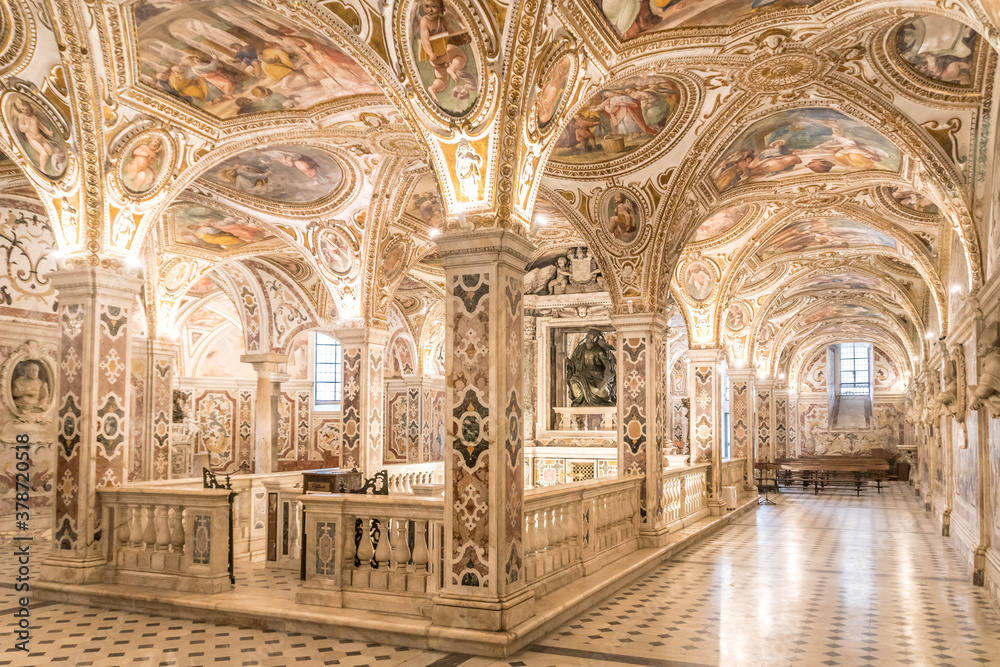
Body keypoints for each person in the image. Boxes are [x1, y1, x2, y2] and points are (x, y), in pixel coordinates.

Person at [417, 0, 474, 102]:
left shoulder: (442, 20)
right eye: (427, 6)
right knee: (461, 57)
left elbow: (451, 34)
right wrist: (430, 53)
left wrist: (462, 38)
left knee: (443, 80)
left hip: (437, 60)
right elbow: (425, 39)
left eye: (434, 6)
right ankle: (452, 69)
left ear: (441, 8)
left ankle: (434, 88)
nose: (430, 10)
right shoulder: (425, 21)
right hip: (437, 54)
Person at [566, 329, 617, 407]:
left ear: (595, 340)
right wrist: (565, 358)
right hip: (584, 374)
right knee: (574, 380)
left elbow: (607, 365)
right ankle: (579, 400)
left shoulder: (598, 351)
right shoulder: (581, 349)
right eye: (588, 339)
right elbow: (573, 364)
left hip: (597, 376)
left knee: (603, 393)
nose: (589, 341)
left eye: (591, 339)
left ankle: (596, 398)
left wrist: (606, 378)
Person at [12, 98, 62, 175]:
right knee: (44, 154)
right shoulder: (21, 116)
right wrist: (27, 126)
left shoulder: (34, 117)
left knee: (49, 152)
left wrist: (49, 133)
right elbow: (21, 129)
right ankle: (42, 169)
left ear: (30, 109)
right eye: (23, 109)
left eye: (27, 109)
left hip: (40, 138)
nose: (25, 111)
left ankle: (39, 155)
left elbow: (41, 126)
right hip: (32, 139)